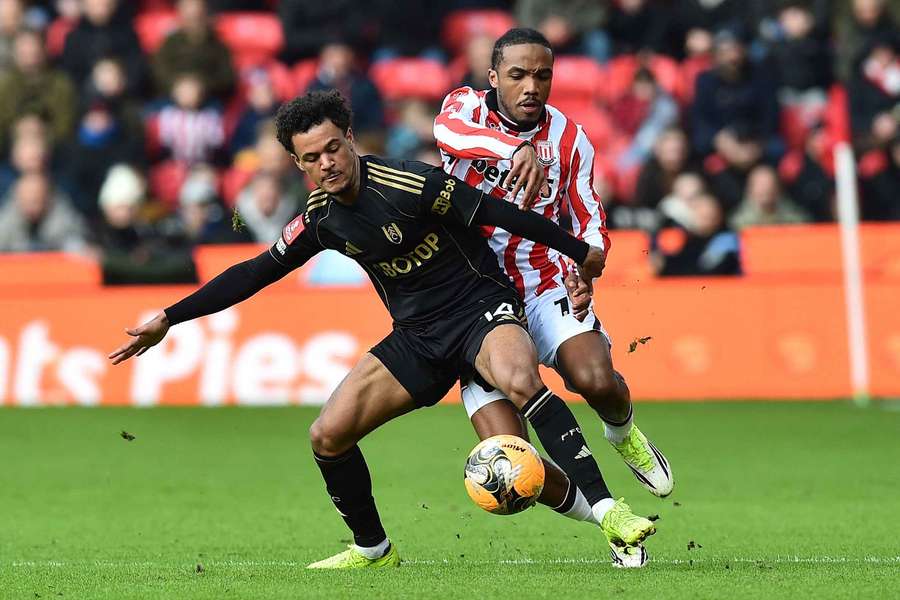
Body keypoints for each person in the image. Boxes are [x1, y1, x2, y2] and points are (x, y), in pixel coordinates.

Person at [108, 89, 655, 569]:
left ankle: (611, 510)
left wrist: (578, 250)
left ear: (350, 138)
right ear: (297, 164)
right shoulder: (320, 217)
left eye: (332, 148)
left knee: (520, 383)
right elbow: (255, 272)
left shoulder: (410, 182)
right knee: (328, 435)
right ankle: (372, 549)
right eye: (311, 158)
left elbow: (497, 213)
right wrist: (169, 317)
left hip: (480, 310)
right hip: (418, 337)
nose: (326, 164)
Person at [433, 29, 672, 568]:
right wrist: (514, 148)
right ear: (493, 77)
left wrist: (589, 264)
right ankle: (611, 521)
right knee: (514, 462)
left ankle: (623, 433)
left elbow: (587, 214)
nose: (531, 86)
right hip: (474, 299)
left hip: (544, 284)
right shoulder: (463, 107)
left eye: (542, 75)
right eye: (517, 74)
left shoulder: (571, 139)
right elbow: (448, 133)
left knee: (594, 379)